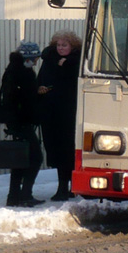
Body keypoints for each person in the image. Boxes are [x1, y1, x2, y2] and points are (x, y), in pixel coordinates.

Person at [37, 30, 83, 202]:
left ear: (72, 46)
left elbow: (74, 83)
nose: (61, 48)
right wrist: (41, 88)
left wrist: (67, 65)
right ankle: (63, 185)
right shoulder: (49, 60)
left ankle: (69, 186)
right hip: (50, 111)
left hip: (70, 111)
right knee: (55, 148)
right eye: (59, 45)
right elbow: (41, 79)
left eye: (65, 45)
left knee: (68, 148)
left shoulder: (76, 61)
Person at [0, 40, 44, 208]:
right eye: (35, 59)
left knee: (19, 159)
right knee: (35, 158)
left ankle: (13, 196)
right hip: (22, 122)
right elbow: (27, 101)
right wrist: (38, 94)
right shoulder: (24, 74)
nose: (36, 62)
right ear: (28, 58)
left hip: (14, 122)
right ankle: (25, 195)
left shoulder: (11, 70)